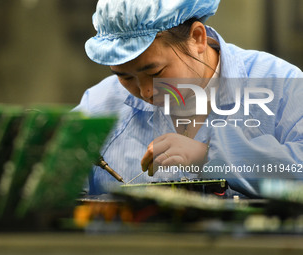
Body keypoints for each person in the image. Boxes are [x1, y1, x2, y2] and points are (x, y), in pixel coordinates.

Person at [73, 0, 303, 196]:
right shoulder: (98, 106)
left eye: (155, 73)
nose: (145, 92)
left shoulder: (281, 86)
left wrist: (209, 156)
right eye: (125, 77)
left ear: (197, 38)